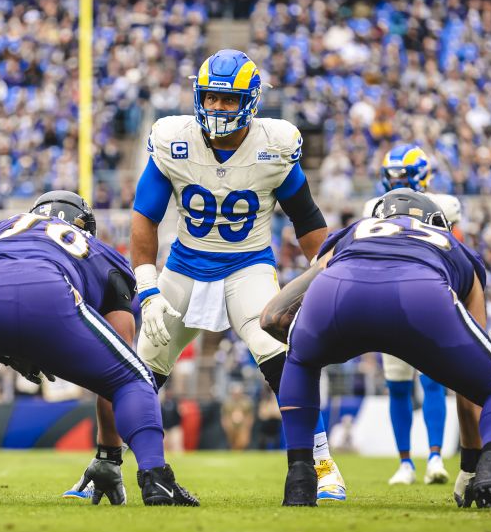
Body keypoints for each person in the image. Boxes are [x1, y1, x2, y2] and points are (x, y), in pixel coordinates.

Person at [64, 49, 347, 503]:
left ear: (251, 101)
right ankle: (107, 462)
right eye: (210, 98)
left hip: (248, 267)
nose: (216, 108)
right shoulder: (173, 139)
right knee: (134, 368)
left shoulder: (274, 146)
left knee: (280, 356)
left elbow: (309, 222)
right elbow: (144, 219)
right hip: (184, 268)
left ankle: (319, 464)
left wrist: (329, 277)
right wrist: (149, 286)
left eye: (227, 99)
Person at [0, 192, 198, 507]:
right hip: (42, 290)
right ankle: (156, 479)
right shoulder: (99, 251)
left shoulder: (1, 228)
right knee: (135, 377)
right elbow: (119, 358)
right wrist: (109, 455)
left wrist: (5, 347)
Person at [262, 189, 491, 511]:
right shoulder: (454, 247)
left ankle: (300, 476)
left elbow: (274, 316)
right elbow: (474, 389)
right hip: (420, 298)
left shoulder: (354, 232)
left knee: (301, 357)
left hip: (338, 292)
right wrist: (471, 464)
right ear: (437, 221)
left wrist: (305, 347)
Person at [362, 144, 483, 494]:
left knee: (432, 383)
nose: (394, 182)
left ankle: (433, 457)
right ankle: (404, 462)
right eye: (392, 176)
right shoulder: (374, 207)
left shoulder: (444, 205)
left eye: (400, 176)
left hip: (428, 298)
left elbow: (456, 251)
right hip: (390, 299)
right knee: (397, 385)